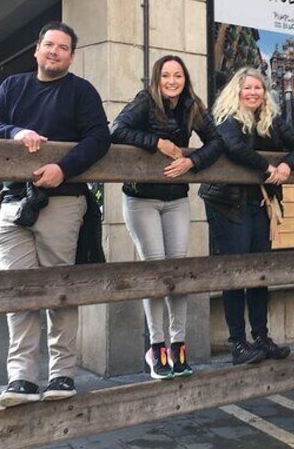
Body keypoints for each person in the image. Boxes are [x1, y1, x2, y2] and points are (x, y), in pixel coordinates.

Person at [0, 22, 111, 407]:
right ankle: (20, 379)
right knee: (19, 291)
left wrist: (63, 169)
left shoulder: (81, 91)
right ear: (36, 50)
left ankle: (61, 374)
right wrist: (16, 132)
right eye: (49, 45)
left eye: (63, 47)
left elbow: (99, 138)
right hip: (13, 203)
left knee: (60, 290)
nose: (54, 51)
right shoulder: (12, 87)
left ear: (72, 55)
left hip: (64, 201)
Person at [111, 55, 223, 380]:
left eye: (178, 76)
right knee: (157, 269)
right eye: (166, 76)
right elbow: (116, 130)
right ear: (157, 78)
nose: (172, 81)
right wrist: (157, 142)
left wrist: (193, 162)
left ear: (185, 79)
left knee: (178, 271)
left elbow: (216, 141)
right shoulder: (145, 101)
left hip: (176, 199)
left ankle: (179, 344)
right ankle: (156, 346)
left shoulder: (193, 105)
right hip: (140, 198)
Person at [199, 67, 294, 365]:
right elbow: (234, 146)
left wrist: (287, 165)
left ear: (265, 93)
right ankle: (238, 342)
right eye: (247, 88)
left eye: (258, 88)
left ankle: (261, 337)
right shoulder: (225, 117)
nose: (252, 93)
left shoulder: (271, 119)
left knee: (260, 271)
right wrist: (267, 168)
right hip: (227, 203)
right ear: (236, 91)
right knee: (236, 272)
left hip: (260, 205)